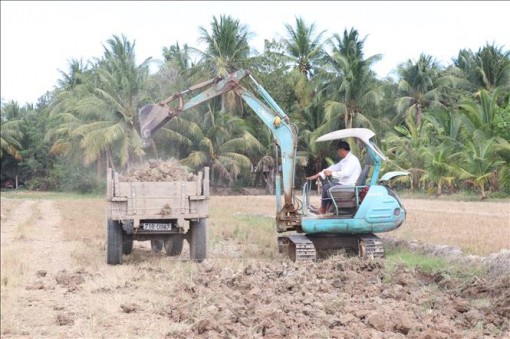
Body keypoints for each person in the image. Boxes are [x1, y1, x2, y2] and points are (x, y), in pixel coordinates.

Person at [306, 140, 361, 214]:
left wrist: (331, 173)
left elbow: (346, 173)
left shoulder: (352, 159)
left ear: (341, 150)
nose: (338, 153)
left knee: (326, 187)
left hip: (349, 185)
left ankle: (323, 209)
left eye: (338, 151)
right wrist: (318, 175)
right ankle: (326, 209)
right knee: (329, 185)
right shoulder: (345, 160)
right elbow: (333, 167)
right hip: (345, 183)